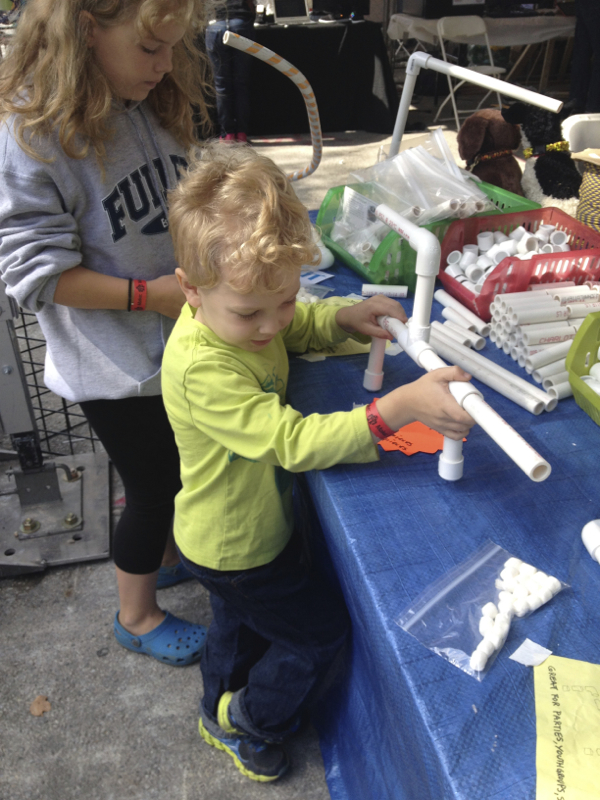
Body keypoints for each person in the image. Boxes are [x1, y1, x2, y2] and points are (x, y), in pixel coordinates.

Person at [162, 142, 476, 781]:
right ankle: (254, 719)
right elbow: (293, 441)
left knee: (238, 626)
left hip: (229, 536)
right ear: (189, 292)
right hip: (237, 546)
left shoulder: (249, 320)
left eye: (282, 300)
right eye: (250, 312)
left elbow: (298, 323)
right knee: (317, 633)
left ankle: (212, 705)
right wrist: (397, 409)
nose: (271, 325)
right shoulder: (203, 368)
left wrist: (343, 315)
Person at [0, 0, 213, 667]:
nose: (164, 66)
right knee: (154, 488)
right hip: (113, 364)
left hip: (169, 339)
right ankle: (137, 614)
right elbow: (33, 277)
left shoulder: (146, 96)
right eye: (150, 49)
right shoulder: (33, 136)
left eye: (174, 48)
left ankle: (166, 557)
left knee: (171, 471)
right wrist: (153, 295)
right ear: (86, 30)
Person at [205, 0, 256, 143]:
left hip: (216, 26)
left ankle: (227, 134)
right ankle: (241, 133)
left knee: (222, 86)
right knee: (241, 84)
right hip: (241, 24)